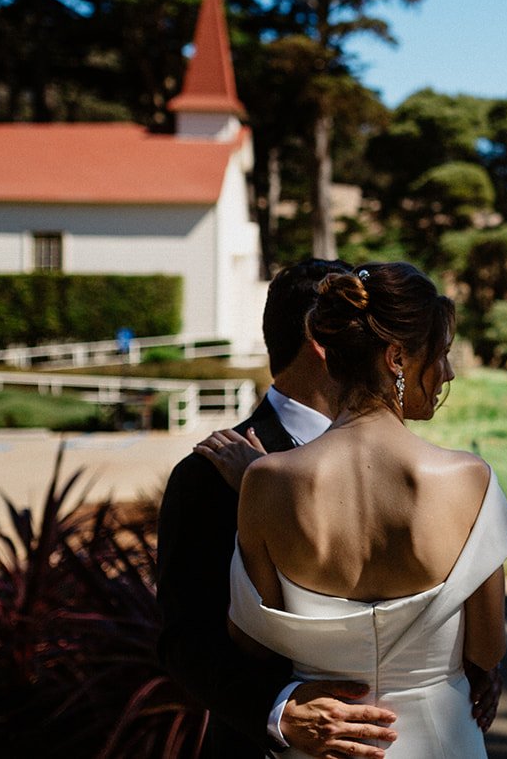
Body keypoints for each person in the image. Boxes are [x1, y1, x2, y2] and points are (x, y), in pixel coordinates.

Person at [225, 262, 507, 759]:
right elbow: (486, 651)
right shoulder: (470, 480)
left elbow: (252, 643)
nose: (446, 372)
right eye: (440, 354)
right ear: (397, 356)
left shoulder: (264, 481)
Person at [157, 257, 402, 759]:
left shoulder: (410, 463)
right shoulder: (205, 475)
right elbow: (185, 638)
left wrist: (469, 670)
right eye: (376, 333)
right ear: (323, 337)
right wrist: (281, 710)